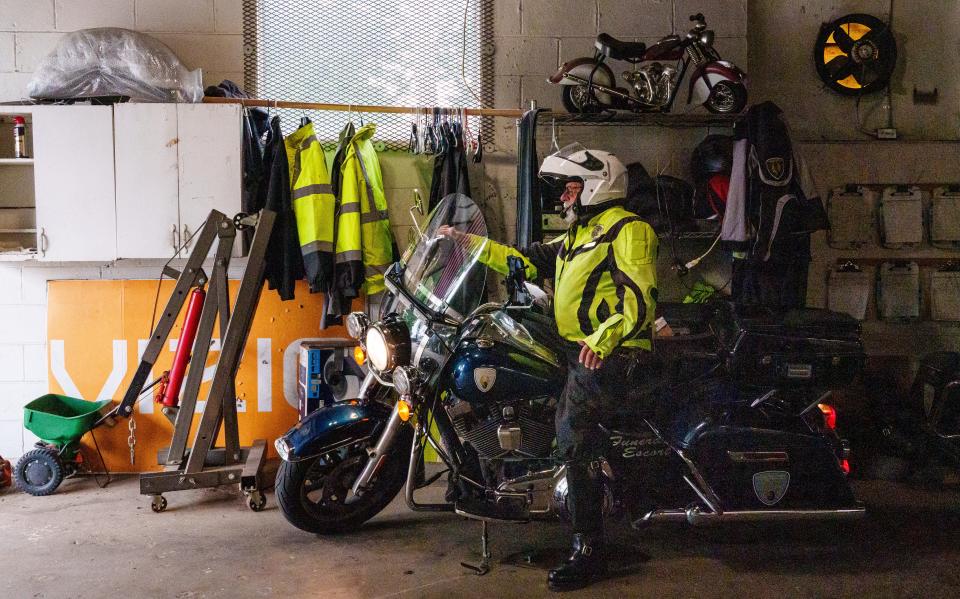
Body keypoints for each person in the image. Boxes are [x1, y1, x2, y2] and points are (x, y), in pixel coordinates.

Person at [438, 144, 658, 591]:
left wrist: (603, 340)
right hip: (575, 340)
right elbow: (525, 259)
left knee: (572, 431)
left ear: (594, 188)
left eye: (569, 189)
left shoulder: (628, 231)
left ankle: (589, 548)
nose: (562, 198)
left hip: (614, 351)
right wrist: (467, 243)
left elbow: (641, 300)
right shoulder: (580, 234)